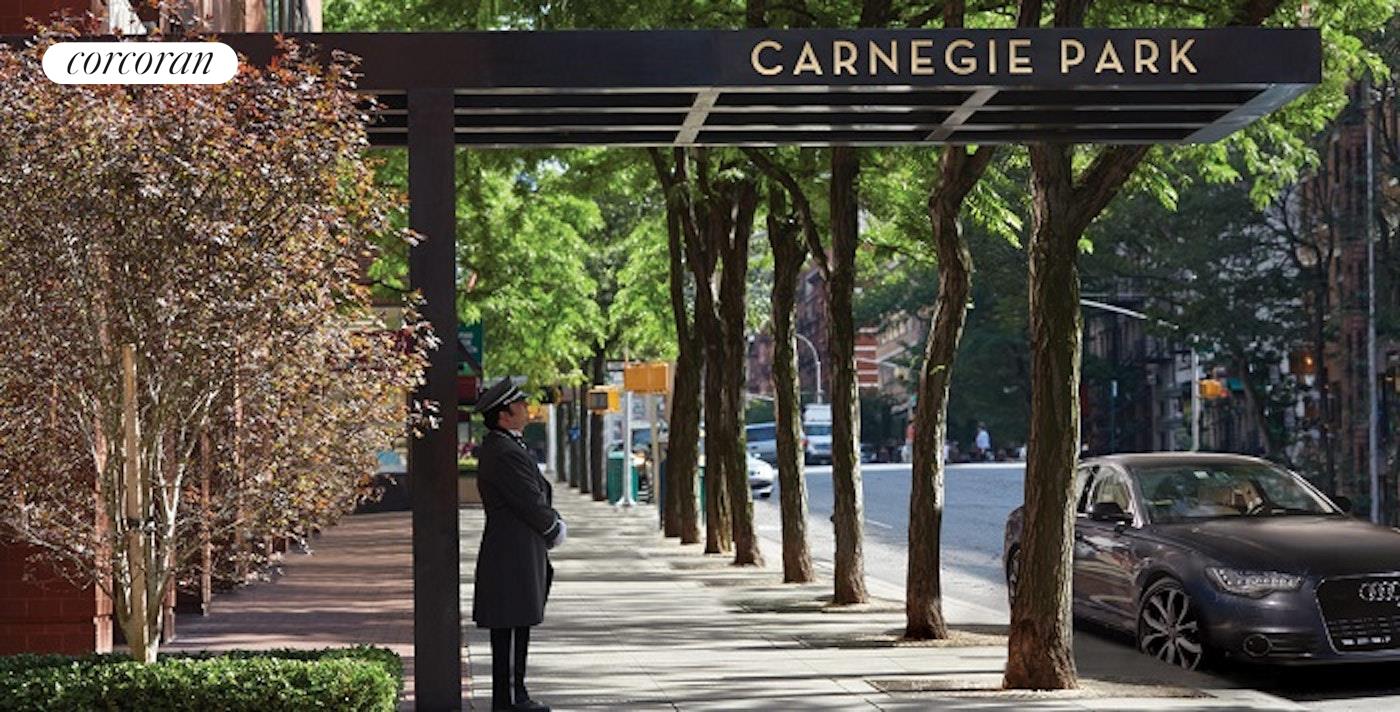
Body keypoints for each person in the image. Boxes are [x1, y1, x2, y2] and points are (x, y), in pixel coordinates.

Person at [472, 377, 566, 712]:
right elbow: (528, 499)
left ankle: (516, 695)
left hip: (517, 549)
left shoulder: (508, 446)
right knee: (511, 624)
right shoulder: (503, 451)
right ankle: (510, 698)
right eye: (520, 405)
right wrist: (553, 526)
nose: (527, 409)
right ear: (504, 415)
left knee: (518, 621)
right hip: (511, 552)